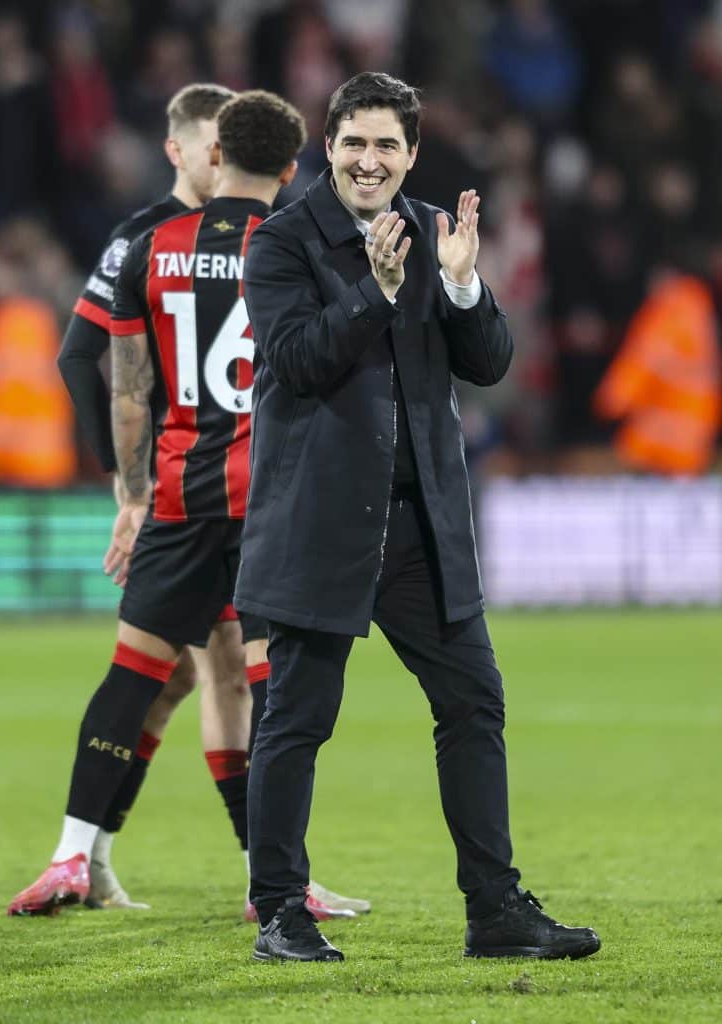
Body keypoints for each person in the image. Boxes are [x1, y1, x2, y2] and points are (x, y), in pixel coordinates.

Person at [235, 72, 601, 962]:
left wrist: (466, 285)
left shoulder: (439, 229)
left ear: (411, 154)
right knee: (296, 718)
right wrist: (377, 288)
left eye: (386, 146)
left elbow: (489, 364)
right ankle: (281, 912)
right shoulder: (283, 242)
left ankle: (495, 912)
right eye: (354, 143)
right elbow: (297, 361)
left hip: (421, 526)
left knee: (473, 702)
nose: (369, 160)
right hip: (321, 522)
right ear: (328, 147)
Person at [10, 87, 368, 920]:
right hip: (267, 502)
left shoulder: (151, 246)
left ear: (215, 156)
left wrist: (130, 492)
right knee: (262, 687)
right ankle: (273, 881)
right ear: (292, 165)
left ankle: (71, 855)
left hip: (175, 494)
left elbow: (125, 387)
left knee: (136, 676)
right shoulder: (298, 244)